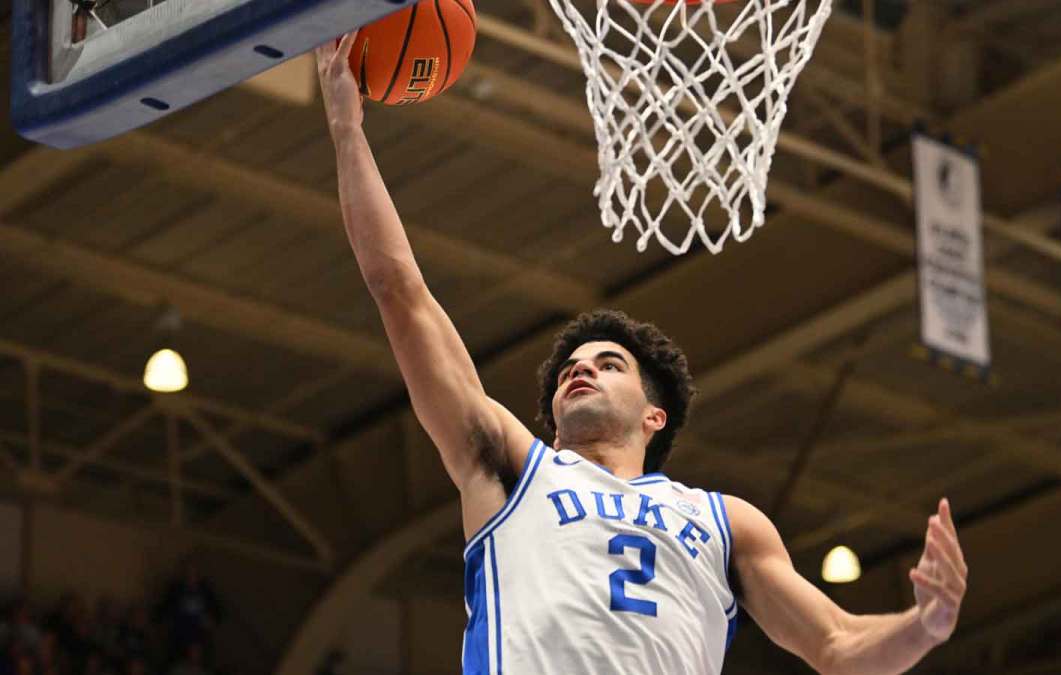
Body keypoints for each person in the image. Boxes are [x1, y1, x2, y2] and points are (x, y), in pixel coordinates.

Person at [316, 32, 969, 675]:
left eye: (609, 363)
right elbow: (401, 290)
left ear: (654, 415)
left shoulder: (724, 522)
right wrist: (348, 127)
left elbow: (838, 646)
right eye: (573, 366)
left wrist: (926, 624)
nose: (582, 368)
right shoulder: (514, 467)